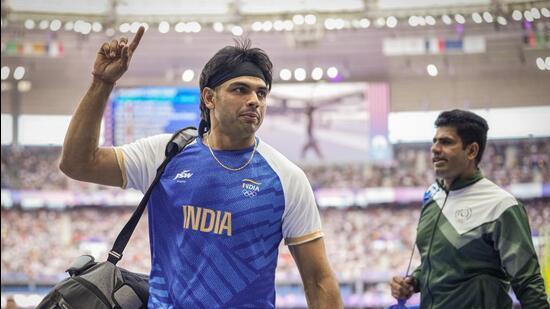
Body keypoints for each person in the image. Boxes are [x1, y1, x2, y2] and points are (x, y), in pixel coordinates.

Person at [59, 26, 343, 308]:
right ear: (209, 98)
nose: (254, 101)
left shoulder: (287, 178)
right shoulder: (166, 154)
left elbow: (319, 280)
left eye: (261, 93)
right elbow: (78, 163)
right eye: (240, 89)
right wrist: (101, 83)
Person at [390, 109, 549, 308]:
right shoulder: (432, 198)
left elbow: (528, 283)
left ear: (472, 151)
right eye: (434, 141)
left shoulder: (501, 205)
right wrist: (413, 282)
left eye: (446, 142)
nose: (435, 149)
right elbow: (440, 266)